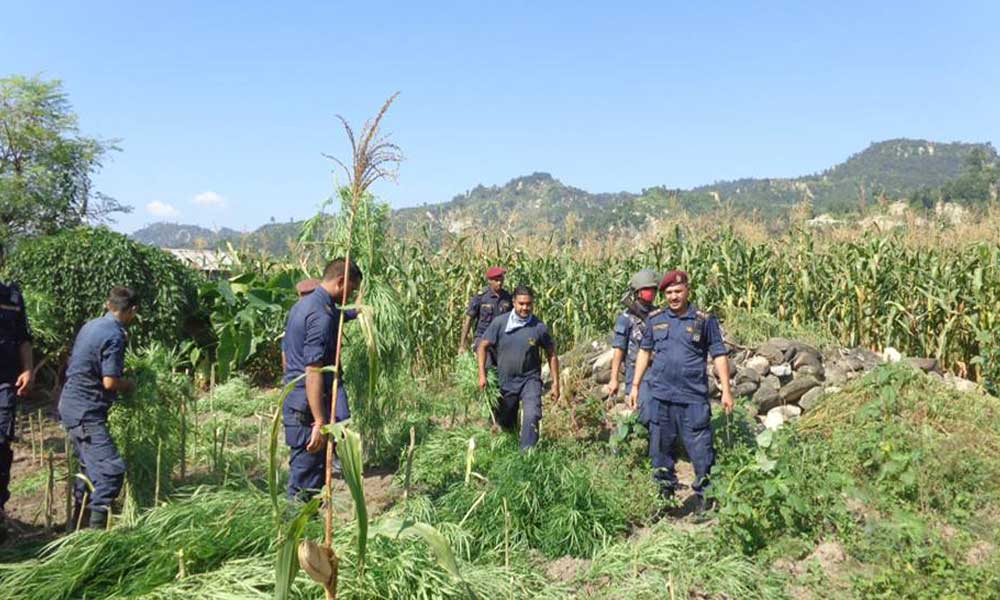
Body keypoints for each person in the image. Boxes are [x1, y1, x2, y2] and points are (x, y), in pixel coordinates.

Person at [628, 270, 732, 512]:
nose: (673, 296)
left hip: (692, 398)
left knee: (702, 451)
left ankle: (705, 502)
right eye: (669, 293)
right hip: (661, 397)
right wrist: (635, 386)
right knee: (660, 451)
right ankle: (664, 500)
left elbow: (718, 354)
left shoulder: (704, 320)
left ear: (687, 291)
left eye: (678, 291)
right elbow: (644, 352)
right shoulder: (655, 320)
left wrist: (726, 389)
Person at [281, 258, 362, 500]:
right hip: (307, 407)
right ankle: (295, 533)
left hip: (299, 398)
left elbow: (287, 355)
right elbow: (313, 370)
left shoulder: (308, 306)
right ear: (340, 282)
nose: (352, 295)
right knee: (305, 480)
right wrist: (318, 421)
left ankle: (306, 533)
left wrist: (361, 311)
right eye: (352, 289)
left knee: (310, 475)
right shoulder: (321, 315)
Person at [59, 287, 139, 529]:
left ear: (108, 304)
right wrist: (131, 384)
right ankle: (95, 538)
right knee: (111, 472)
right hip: (86, 411)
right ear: (132, 311)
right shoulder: (115, 335)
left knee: (88, 468)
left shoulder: (91, 326)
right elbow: (110, 382)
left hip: (70, 405)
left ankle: (77, 528)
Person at [477, 285, 559, 449]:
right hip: (506, 381)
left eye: (528, 304)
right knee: (506, 424)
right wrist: (482, 374)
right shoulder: (500, 323)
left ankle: (527, 455)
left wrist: (556, 383)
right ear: (514, 303)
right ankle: (507, 452)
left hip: (530, 379)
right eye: (521, 304)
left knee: (532, 415)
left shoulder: (538, 327)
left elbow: (552, 354)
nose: (525, 308)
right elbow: (483, 346)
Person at [0, 241, 34, 540]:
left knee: (1, 446)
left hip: (5, 385)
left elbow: (24, 338)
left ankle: (0, 511)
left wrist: (27, 369)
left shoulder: (12, 296)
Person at [605, 269, 660, 425]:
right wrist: (614, 379)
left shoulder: (658, 314)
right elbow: (619, 350)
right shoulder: (626, 319)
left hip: (658, 371)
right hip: (637, 372)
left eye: (653, 289)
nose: (650, 293)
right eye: (646, 290)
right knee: (645, 413)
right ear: (637, 292)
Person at [459, 267, 512, 362]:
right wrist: (462, 345)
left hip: (501, 338)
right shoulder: (480, 297)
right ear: (489, 281)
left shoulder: (507, 298)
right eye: (496, 280)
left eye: (501, 280)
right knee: (486, 362)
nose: (499, 283)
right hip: (482, 337)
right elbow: (468, 320)